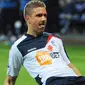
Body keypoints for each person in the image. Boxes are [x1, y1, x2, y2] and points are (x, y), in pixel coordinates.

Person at [4, 1, 85, 85]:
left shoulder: (55, 39)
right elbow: (10, 80)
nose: (43, 19)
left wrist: (80, 78)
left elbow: (69, 65)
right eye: (39, 15)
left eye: (45, 15)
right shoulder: (18, 47)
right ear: (28, 19)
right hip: (54, 81)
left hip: (75, 80)